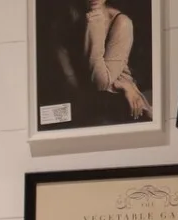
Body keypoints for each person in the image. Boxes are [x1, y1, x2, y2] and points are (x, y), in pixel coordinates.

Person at [43, 0, 152, 128]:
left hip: (118, 103)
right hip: (84, 104)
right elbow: (74, 82)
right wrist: (123, 84)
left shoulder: (121, 23)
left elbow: (101, 83)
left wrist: (94, 27)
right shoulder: (63, 26)